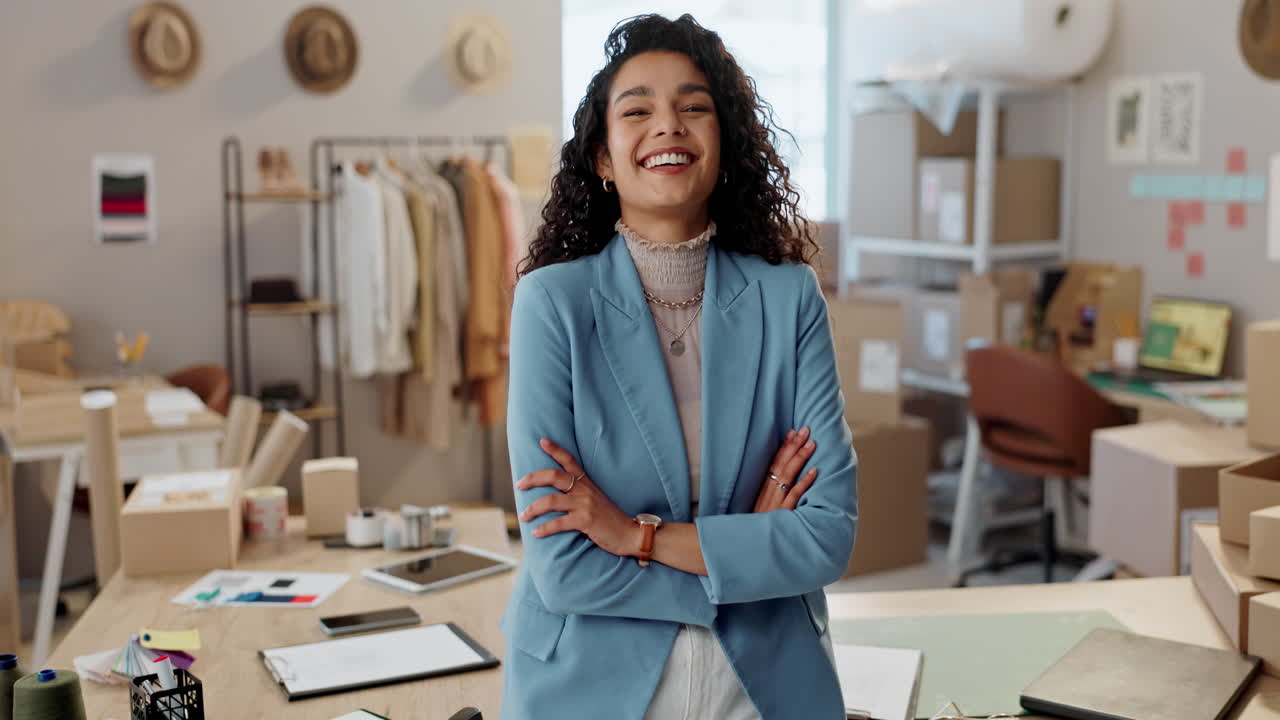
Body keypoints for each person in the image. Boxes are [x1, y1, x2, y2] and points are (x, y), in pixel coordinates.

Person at [502, 13, 857, 720]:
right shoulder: (552, 303)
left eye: (694, 107)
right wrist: (746, 557)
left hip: (765, 684)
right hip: (589, 683)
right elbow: (564, 569)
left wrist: (633, 536)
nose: (668, 124)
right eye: (637, 111)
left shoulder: (789, 297)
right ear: (604, 158)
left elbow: (826, 537)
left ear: (724, 145)